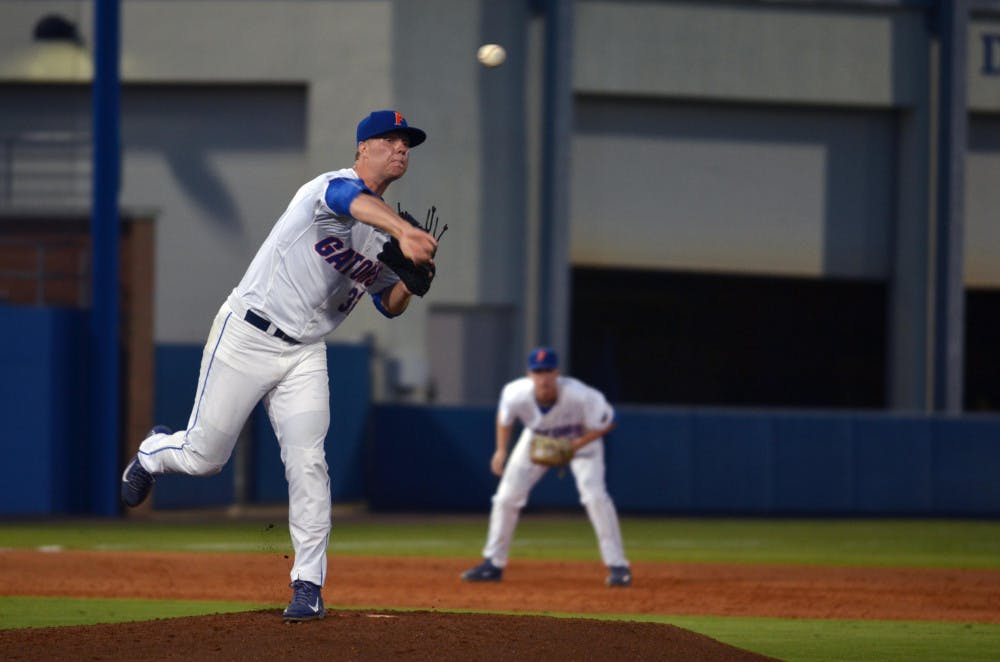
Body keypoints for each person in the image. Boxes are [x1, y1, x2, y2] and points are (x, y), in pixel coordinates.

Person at [120, 109, 438, 622]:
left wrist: (413, 283)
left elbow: (388, 303)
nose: (401, 148)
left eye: (407, 143)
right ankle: (154, 452)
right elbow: (346, 203)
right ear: (362, 148)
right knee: (205, 458)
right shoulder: (332, 186)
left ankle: (307, 585)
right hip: (248, 333)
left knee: (309, 463)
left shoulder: (383, 238)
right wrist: (403, 231)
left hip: (306, 352)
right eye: (390, 139)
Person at [461, 347, 632, 587]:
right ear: (530, 374)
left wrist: (576, 445)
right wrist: (501, 450)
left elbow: (609, 421)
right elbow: (504, 418)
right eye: (537, 371)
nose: (543, 377)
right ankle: (493, 563)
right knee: (505, 498)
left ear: (557, 373)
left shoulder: (581, 395)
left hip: (581, 441)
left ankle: (618, 566)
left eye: (547, 371)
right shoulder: (515, 393)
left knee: (594, 497)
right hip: (536, 440)